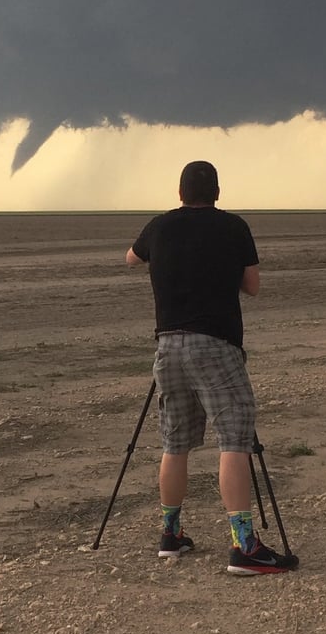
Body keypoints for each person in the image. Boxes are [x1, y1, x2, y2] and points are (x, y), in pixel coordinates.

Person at [126, 160, 299, 575]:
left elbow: (131, 258)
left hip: (167, 346)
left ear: (180, 192)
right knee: (234, 440)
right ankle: (244, 545)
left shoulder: (159, 226)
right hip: (217, 346)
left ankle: (171, 532)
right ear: (217, 193)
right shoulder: (234, 227)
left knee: (175, 442)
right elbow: (253, 286)